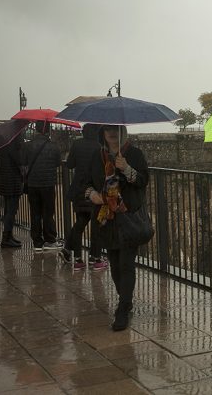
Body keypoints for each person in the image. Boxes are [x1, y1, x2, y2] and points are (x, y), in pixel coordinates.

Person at [86, 125, 148, 331]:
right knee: (114, 263)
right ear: (102, 134)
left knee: (126, 263)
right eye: (108, 130)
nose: (112, 133)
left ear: (123, 132)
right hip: (107, 217)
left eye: (116, 130)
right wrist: (91, 195)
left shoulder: (134, 154)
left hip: (127, 216)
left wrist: (127, 169)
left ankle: (123, 307)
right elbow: (85, 183)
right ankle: (126, 298)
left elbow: (142, 181)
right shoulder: (97, 156)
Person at [60, 124, 105, 270]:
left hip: (79, 188)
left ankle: (77, 258)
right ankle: (94, 257)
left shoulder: (77, 144)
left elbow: (70, 164)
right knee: (97, 224)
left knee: (80, 222)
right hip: (93, 189)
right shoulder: (99, 147)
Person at [23, 121, 62, 252]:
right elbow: (58, 163)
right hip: (48, 184)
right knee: (48, 213)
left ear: (37, 130)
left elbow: (24, 160)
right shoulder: (54, 146)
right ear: (48, 130)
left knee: (35, 213)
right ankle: (49, 240)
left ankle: (37, 242)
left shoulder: (28, 146)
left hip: (33, 184)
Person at [0, 135, 24, 248]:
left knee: (8, 210)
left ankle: (9, 236)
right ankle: (6, 238)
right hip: (11, 181)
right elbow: (19, 160)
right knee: (11, 210)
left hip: (4, 179)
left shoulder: (2, 144)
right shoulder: (12, 145)